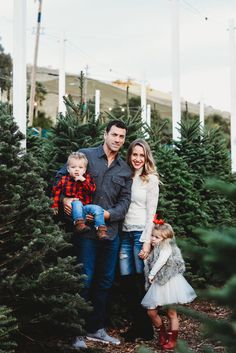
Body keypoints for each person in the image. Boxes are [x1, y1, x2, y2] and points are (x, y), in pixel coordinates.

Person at [55, 120, 132, 348]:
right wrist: (65, 199)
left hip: (110, 233)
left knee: (105, 282)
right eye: (114, 135)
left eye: (122, 137)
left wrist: (108, 215)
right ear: (105, 134)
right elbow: (61, 178)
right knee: (85, 280)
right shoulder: (86, 156)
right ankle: (77, 332)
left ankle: (96, 329)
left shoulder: (124, 169)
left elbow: (125, 202)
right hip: (86, 233)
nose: (118, 140)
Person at [119, 139, 159, 341]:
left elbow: (151, 212)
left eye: (141, 155)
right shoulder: (125, 175)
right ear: (129, 155)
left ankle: (144, 329)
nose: (137, 158)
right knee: (126, 282)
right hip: (124, 234)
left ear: (146, 157)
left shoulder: (150, 179)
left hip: (138, 236)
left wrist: (146, 241)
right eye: (134, 154)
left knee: (138, 282)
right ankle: (139, 326)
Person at [141, 220, 197, 350]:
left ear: (166, 238)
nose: (153, 239)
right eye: (152, 236)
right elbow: (149, 264)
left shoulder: (167, 247)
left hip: (170, 282)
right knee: (151, 311)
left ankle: (172, 339)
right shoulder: (155, 249)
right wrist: (146, 260)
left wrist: (151, 275)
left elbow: (162, 260)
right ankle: (162, 333)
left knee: (172, 312)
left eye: (157, 237)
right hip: (158, 284)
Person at [52, 152, 108, 239]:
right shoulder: (64, 180)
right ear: (68, 169)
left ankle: (101, 229)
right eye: (73, 167)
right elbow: (56, 192)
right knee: (77, 202)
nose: (77, 170)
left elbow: (92, 189)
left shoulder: (87, 178)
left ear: (84, 170)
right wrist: (54, 206)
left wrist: (83, 180)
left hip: (85, 208)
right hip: (74, 209)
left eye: (80, 167)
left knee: (98, 209)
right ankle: (79, 224)